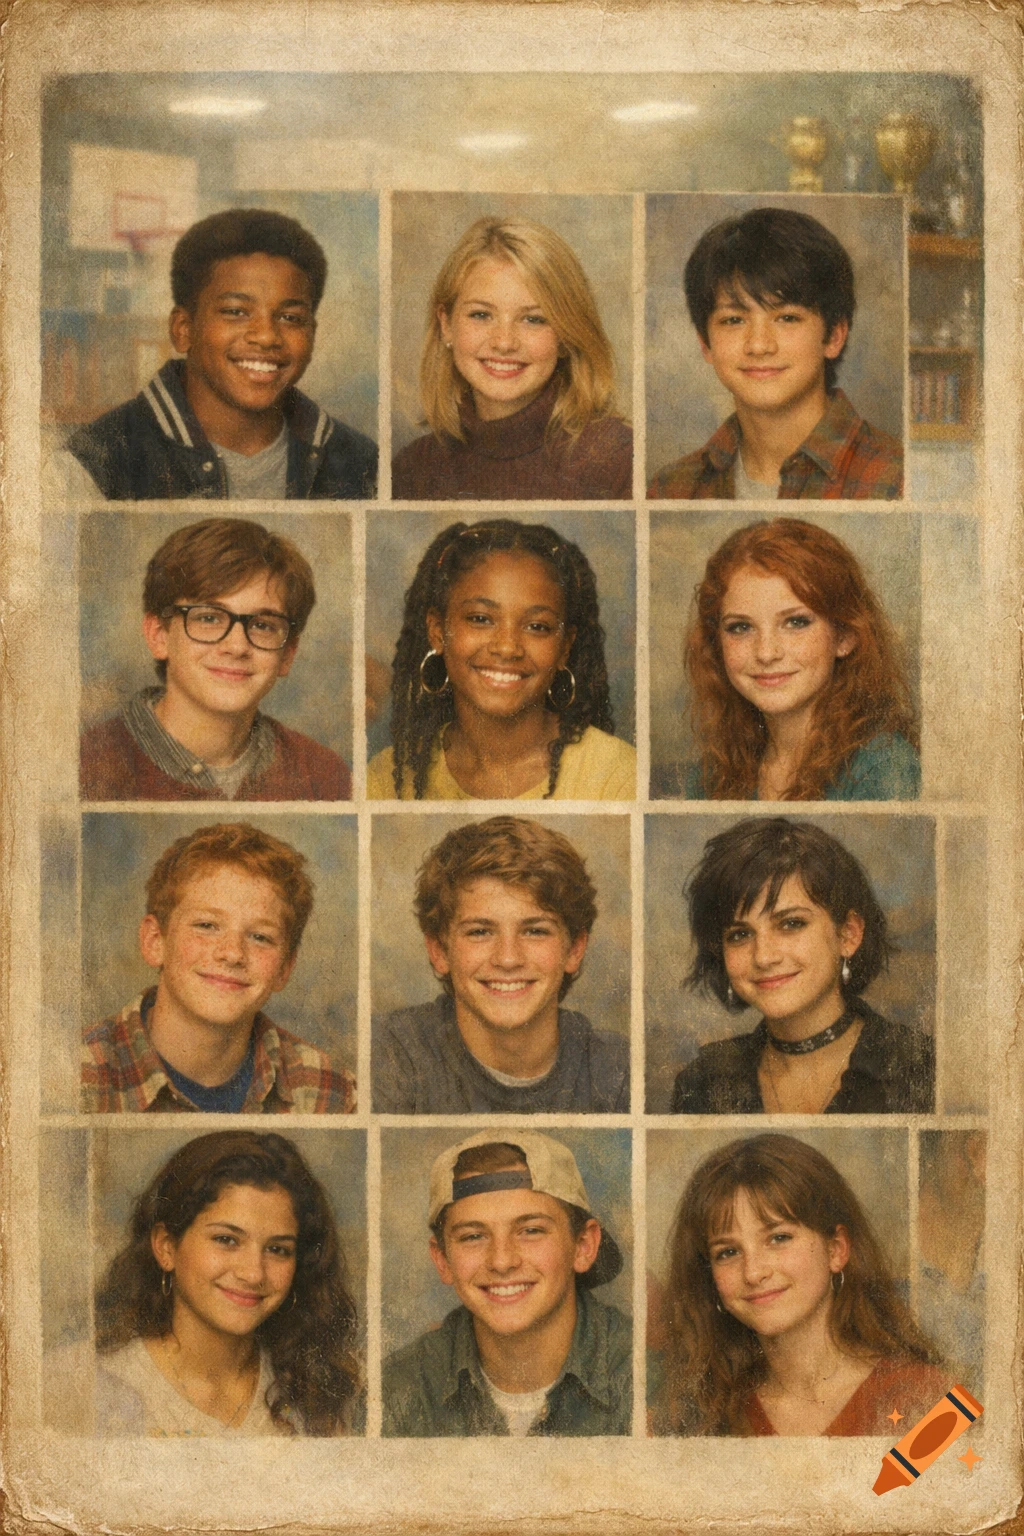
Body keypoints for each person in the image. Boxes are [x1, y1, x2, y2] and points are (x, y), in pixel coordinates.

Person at [64, 208, 377, 500]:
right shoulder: (91, 466)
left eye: (290, 318)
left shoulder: (362, 461)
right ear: (184, 330)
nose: (267, 336)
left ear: (312, 333)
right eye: (236, 311)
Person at [651, 1134, 946, 1436]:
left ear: (836, 1249)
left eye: (779, 1238)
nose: (753, 1273)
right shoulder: (703, 1417)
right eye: (728, 1252)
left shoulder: (930, 1402)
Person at [92, 1131, 360, 1435]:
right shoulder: (91, 1387)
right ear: (166, 1247)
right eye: (226, 1240)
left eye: (277, 1249)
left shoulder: (321, 1397)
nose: (253, 1274)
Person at [81, 821, 356, 1113]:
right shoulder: (77, 1074)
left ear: (285, 968)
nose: (233, 953)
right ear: (155, 941)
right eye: (207, 925)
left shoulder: (332, 1090)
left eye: (260, 937)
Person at [670, 818, 934, 1114]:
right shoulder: (702, 1082)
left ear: (848, 934)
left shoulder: (922, 1067)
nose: (764, 957)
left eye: (791, 924)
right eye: (740, 934)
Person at [80, 518, 352, 801]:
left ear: (287, 654)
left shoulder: (325, 775)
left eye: (263, 625)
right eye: (208, 618)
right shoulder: (84, 767)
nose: (237, 646)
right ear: (159, 635)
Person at [373, 816, 629, 1113]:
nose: (508, 959)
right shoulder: (391, 1055)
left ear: (574, 949)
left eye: (535, 931)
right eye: (480, 932)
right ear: (439, 951)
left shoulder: (617, 1070)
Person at [383, 1131, 632, 1436]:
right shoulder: (397, 1390)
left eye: (530, 1230)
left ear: (582, 1246)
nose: (502, 1261)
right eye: (473, 1236)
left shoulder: (647, 1377)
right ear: (443, 1260)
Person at [367, 519, 636, 800]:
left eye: (537, 626)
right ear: (437, 632)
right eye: (480, 619)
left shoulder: (618, 776)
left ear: (564, 647)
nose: (508, 648)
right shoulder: (385, 778)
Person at [647, 207, 903, 501]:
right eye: (734, 320)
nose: (759, 345)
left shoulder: (895, 479)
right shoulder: (671, 488)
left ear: (834, 336)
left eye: (787, 318)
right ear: (706, 344)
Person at [392, 217, 632, 500]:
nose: (504, 342)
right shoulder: (412, 468)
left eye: (533, 319)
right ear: (446, 325)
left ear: (567, 335)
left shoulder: (617, 458)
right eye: (481, 315)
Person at [681, 518, 919, 801]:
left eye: (795, 622)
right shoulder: (712, 775)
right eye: (741, 628)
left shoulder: (884, 768)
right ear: (716, 643)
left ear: (844, 636)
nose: (766, 653)